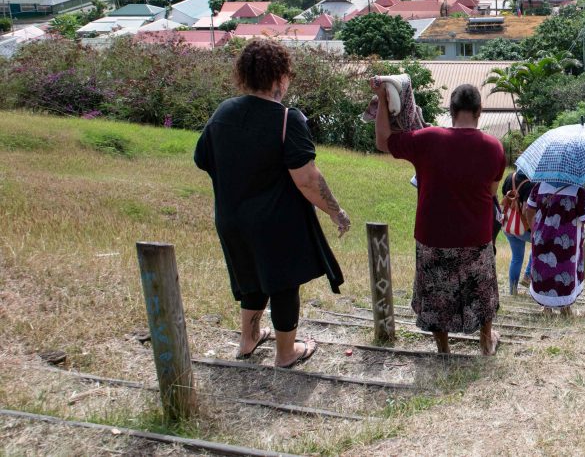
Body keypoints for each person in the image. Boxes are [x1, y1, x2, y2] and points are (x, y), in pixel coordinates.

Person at [194, 39, 348, 369]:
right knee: (282, 283)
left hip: (231, 218)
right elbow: (307, 178)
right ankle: (285, 353)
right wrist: (336, 211)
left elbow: (202, 158)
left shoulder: (223, 112)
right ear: (280, 77)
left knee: (250, 277)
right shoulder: (286, 120)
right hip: (275, 223)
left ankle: (248, 340)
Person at [373, 82, 505, 356]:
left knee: (436, 296)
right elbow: (492, 192)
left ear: (451, 110)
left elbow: (383, 141)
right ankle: (485, 342)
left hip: (433, 235)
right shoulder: (494, 148)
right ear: (479, 111)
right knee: (482, 293)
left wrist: (382, 101)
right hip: (476, 236)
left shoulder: (427, 138)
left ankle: (443, 349)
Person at [523, 182, 585, 315]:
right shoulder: (578, 191)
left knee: (544, 271)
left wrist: (535, 230)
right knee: (565, 271)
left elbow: (529, 210)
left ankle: (546, 308)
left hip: (541, 238)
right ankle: (565, 308)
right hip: (568, 244)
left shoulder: (538, 187)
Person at [500, 170, 534, 295]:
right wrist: (534, 228)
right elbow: (526, 210)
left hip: (508, 224)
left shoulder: (510, 177)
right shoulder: (530, 183)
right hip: (522, 227)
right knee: (539, 244)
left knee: (516, 258)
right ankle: (528, 275)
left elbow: (504, 195)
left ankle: (512, 291)